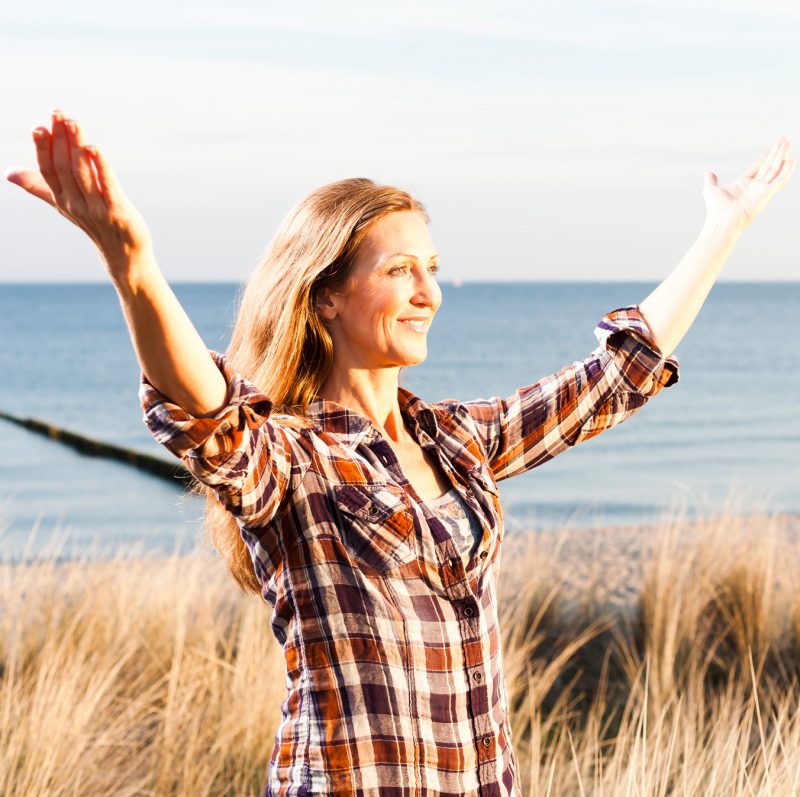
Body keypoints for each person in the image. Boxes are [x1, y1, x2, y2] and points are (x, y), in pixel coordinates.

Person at [5, 109, 795, 797]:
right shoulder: (292, 462)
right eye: (399, 270)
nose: (430, 292)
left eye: (434, 269)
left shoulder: (454, 440)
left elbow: (611, 378)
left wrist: (723, 228)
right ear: (327, 296)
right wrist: (130, 260)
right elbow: (205, 408)